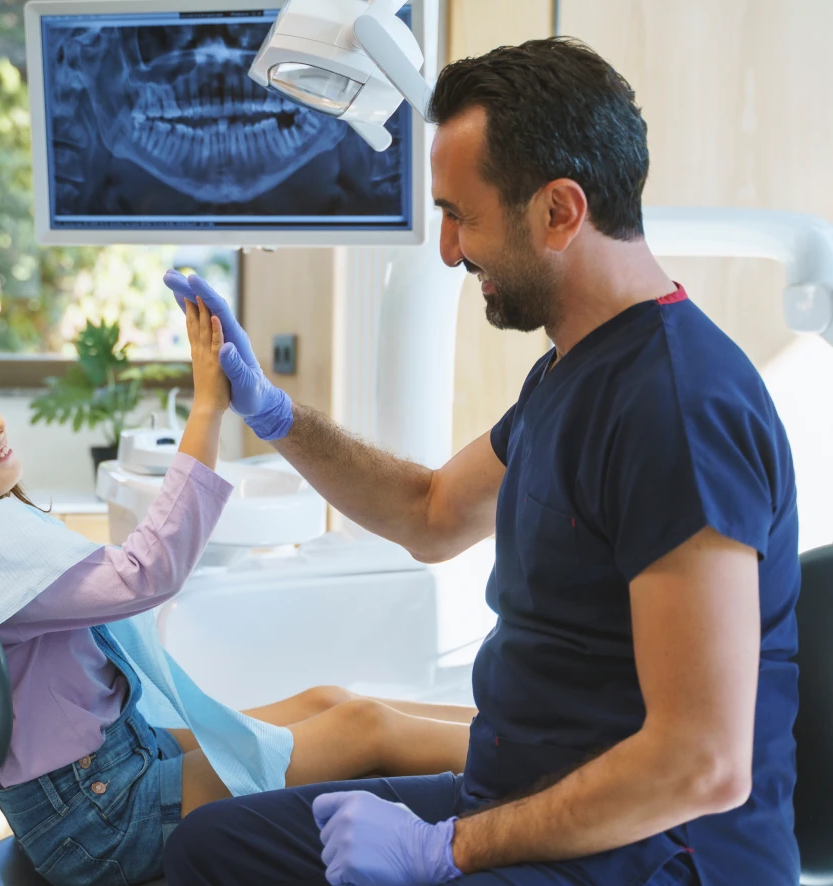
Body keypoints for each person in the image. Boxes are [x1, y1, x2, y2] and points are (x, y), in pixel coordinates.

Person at [161, 36, 800, 886]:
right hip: (523, 798)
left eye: (463, 215)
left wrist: (443, 850)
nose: (449, 249)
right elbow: (429, 513)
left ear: (560, 211)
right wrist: (275, 414)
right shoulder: (570, 372)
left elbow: (700, 764)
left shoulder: (677, 408)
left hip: (651, 855)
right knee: (210, 849)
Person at [0, 296, 478, 886]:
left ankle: (506, 730)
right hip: (101, 816)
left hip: (103, 779)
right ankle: (524, 761)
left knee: (330, 702)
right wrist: (208, 405)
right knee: (362, 729)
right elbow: (149, 571)